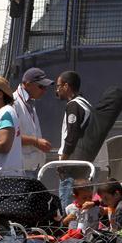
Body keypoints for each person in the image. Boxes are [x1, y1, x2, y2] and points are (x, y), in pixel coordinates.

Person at [55, 70, 92, 208]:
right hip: (83, 162)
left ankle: (70, 230)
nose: (57, 90)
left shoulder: (74, 105)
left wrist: (62, 162)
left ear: (66, 86)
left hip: (72, 165)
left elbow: (71, 136)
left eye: (58, 86)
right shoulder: (85, 103)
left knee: (68, 205)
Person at [14, 68, 54, 179]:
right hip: (20, 170)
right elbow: (9, 136)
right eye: (41, 87)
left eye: (45, 87)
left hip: (32, 167)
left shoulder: (30, 103)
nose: (44, 91)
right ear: (27, 84)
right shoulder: (13, 103)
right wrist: (35, 141)